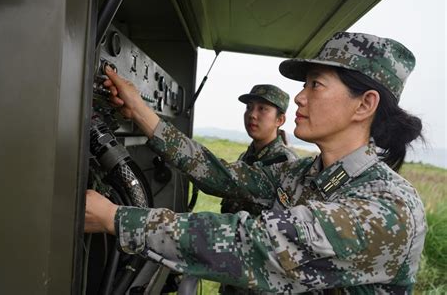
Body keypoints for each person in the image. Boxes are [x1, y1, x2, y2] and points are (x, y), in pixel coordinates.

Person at [85, 32, 426, 293]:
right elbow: (220, 175)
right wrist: (141, 112)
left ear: (364, 105)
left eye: (316, 85)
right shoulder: (302, 174)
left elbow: (258, 244)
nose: (299, 97)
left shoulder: (388, 207)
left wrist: (116, 218)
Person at [219, 84, 298, 216]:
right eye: (249, 107)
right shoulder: (245, 157)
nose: (252, 115)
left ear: (279, 120)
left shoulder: (287, 162)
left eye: (262, 109)